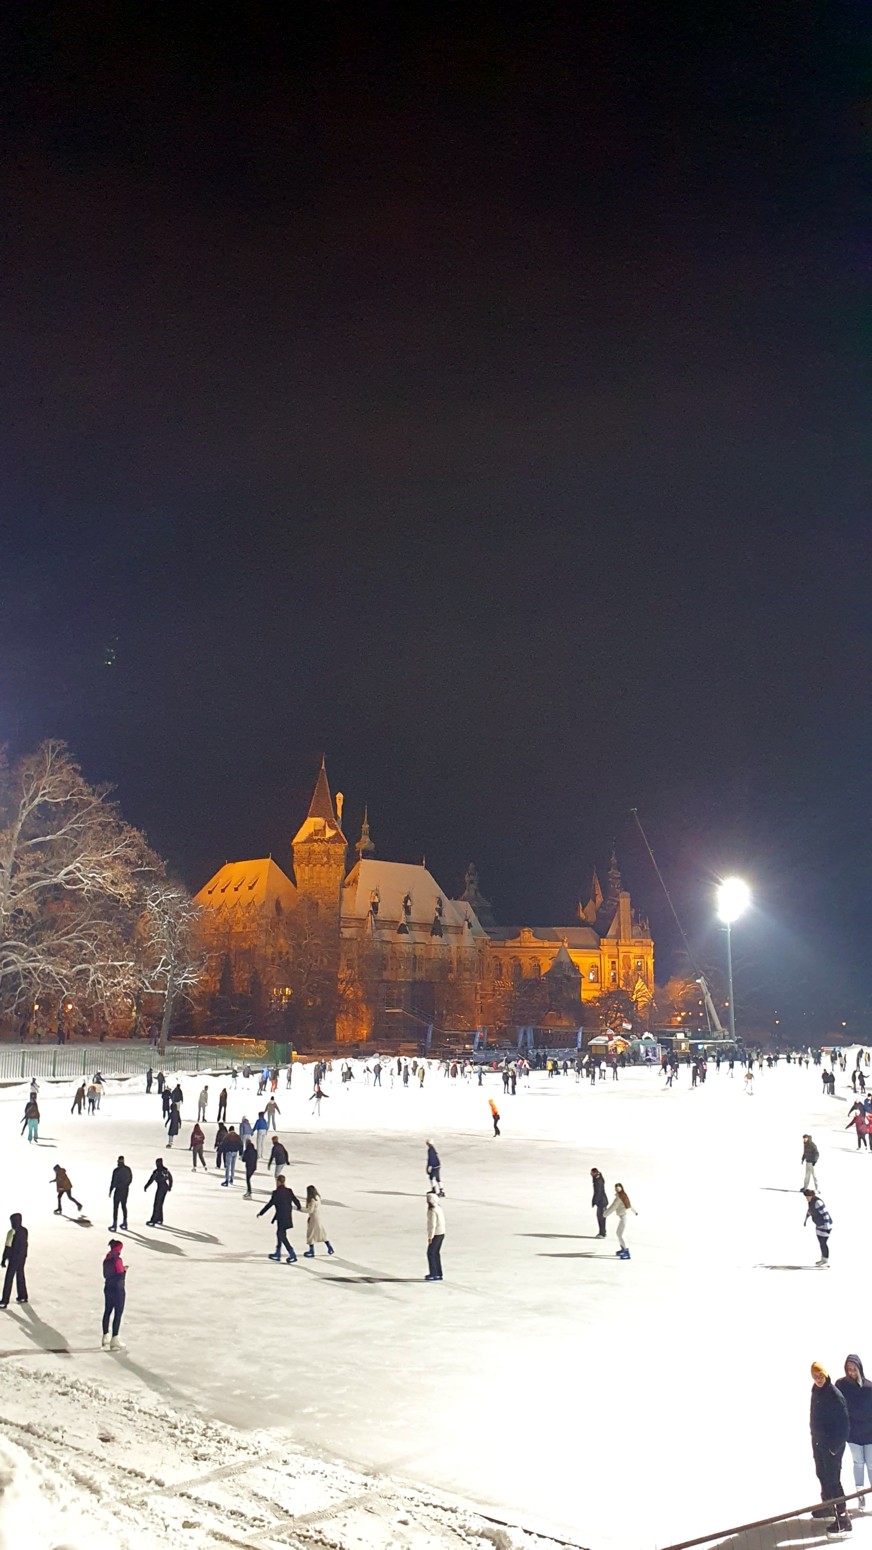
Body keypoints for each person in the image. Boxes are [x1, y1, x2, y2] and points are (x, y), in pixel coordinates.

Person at [810, 1361, 851, 1536]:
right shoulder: (816, 1391)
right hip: (819, 1444)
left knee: (834, 1481)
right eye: (815, 1376)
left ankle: (843, 1520)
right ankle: (828, 1506)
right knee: (822, 1475)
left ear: (826, 1375)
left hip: (832, 1447)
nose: (818, 1379)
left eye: (820, 1375)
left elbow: (844, 1426)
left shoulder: (834, 1395)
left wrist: (834, 1448)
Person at [837, 1355, 872, 1510]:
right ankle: (860, 1495)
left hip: (869, 1434)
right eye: (849, 1369)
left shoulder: (868, 1387)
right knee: (858, 1463)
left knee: (871, 1464)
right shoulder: (841, 1385)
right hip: (853, 1434)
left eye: (854, 1369)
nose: (851, 1372)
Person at [258, 1175, 302, 1262]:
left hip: (281, 1217)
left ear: (278, 1182)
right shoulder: (289, 1191)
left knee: (281, 1234)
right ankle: (278, 1253)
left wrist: (261, 1213)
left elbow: (270, 1204)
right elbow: (295, 1200)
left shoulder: (276, 1193)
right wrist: (299, 1206)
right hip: (287, 1215)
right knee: (280, 1233)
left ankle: (292, 1254)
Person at [102, 1239, 126, 1351]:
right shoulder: (117, 1260)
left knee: (107, 1311)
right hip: (118, 1290)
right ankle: (115, 1337)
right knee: (118, 1313)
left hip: (108, 1288)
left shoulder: (107, 1259)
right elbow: (119, 1275)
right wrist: (124, 1271)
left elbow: (106, 1275)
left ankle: (105, 1335)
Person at [0, 1214, 28, 1307]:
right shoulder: (24, 1231)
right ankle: (22, 1296)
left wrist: (4, 1259)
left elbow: (7, 1247)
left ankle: (4, 1301)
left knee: (9, 1279)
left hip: (13, 1259)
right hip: (21, 1258)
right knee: (20, 1276)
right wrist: (24, 1256)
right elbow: (25, 1245)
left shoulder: (11, 1232)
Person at [605, 1183, 637, 1260]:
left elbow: (613, 1207)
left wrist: (605, 1214)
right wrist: (635, 1212)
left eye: (618, 1188)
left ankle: (626, 1252)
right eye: (616, 1188)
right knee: (618, 1233)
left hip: (624, 1217)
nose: (617, 1189)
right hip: (623, 1217)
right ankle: (623, 1248)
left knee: (621, 1234)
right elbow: (629, 1205)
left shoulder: (619, 1198)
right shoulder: (623, 1196)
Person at [804, 1189, 833, 1267]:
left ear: (811, 1196)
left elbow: (825, 1214)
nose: (806, 1198)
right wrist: (805, 1220)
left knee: (823, 1243)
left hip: (824, 1225)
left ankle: (826, 1260)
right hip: (819, 1225)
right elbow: (810, 1211)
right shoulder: (811, 1202)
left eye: (807, 1197)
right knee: (821, 1243)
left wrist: (827, 1227)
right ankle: (823, 1259)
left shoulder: (818, 1202)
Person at [303, 1186, 334, 1257]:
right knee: (322, 1233)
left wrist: (300, 1209)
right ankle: (329, 1247)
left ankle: (311, 1251)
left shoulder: (312, 1200)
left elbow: (310, 1210)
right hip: (319, 1217)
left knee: (311, 1234)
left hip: (313, 1219)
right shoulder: (317, 1197)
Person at [144, 1159, 173, 1225]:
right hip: (164, 1187)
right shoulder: (165, 1170)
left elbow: (151, 1179)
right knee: (160, 1204)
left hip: (161, 1188)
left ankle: (154, 1220)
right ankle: (160, 1219)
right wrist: (169, 1186)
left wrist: (146, 1186)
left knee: (157, 1204)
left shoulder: (157, 1171)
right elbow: (170, 1178)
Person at [425, 1189, 445, 1281]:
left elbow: (432, 1225)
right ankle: (438, 1273)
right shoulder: (438, 1208)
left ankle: (433, 1273)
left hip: (436, 1234)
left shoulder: (432, 1210)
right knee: (436, 1253)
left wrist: (430, 1237)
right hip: (442, 1233)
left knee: (431, 1253)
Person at [109, 1156, 132, 1230]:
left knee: (116, 1207)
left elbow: (113, 1181)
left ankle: (114, 1224)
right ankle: (125, 1222)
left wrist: (111, 1190)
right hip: (125, 1190)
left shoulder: (116, 1170)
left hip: (118, 1190)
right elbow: (130, 1179)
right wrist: (126, 1185)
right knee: (123, 1206)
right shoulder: (127, 1169)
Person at [591, 1168, 608, 1237]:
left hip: (602, 1202)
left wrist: (595, 1201)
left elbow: (598, 1192)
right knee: (600, 1217)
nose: (591, 1174)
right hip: (601, 1202)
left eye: (592, 1173)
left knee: (601, 1217)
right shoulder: (597, 1178)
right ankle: (602, 1232)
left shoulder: (598, 1180)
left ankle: (602, 1233)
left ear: (595, 1173)